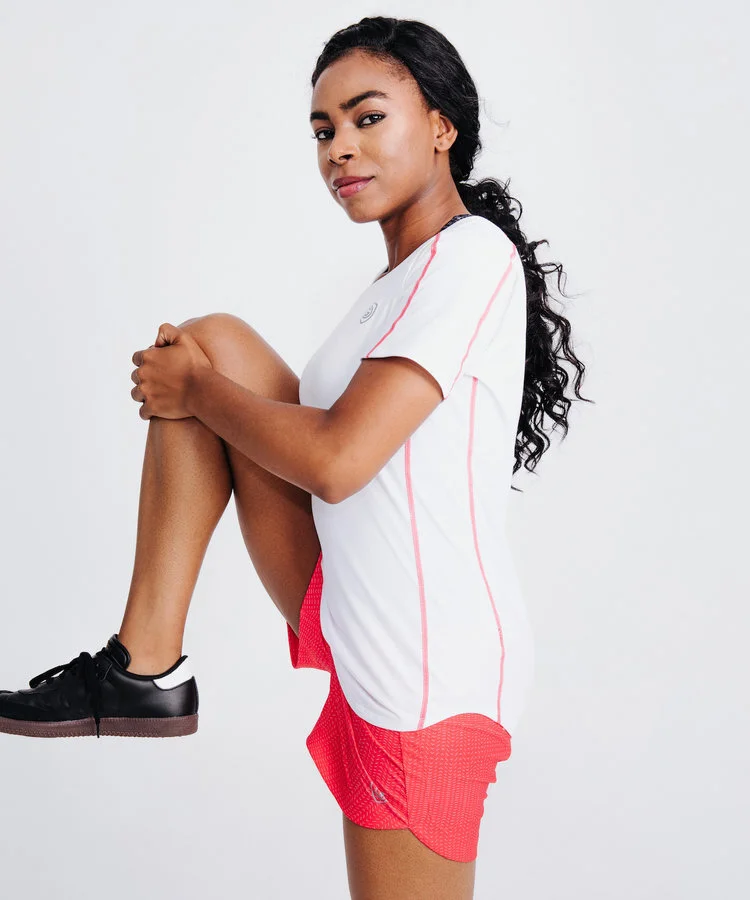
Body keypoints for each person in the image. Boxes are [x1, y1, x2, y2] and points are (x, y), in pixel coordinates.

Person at [0, 16, 590, 899]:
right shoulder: (401, 280)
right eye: (323, 131)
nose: (340, 150)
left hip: (425, 672)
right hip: (361, 609)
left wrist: (196, 394)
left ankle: (145, 668)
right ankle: (144, 664)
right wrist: (202, 379)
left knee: (205, 372)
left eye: (365, 118)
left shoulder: (469, 258)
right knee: (215, 342)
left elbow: (341, 459)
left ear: (440, 124)